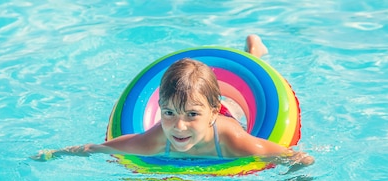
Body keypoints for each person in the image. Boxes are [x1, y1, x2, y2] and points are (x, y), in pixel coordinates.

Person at [32, 35, 314, 166]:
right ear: (159, 109)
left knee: (239, 101)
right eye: (168, 112)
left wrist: (297, 174)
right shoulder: (154, 139)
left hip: (229, 116)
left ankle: (253, 53)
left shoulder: (232, 141)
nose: (178, 126)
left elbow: (293, 157)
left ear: (211, 112)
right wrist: (56, 153)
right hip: (207, 114)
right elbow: (98, 148)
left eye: (190, 115)